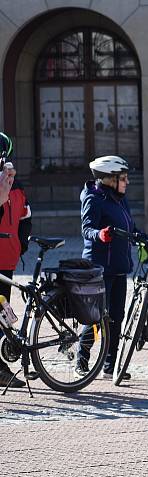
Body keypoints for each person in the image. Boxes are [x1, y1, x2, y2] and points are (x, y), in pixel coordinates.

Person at [78, 155, 138, 378]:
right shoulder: (94, 199)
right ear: (110, 179)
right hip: (100, 266)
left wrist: (147, 241)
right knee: (96, 316)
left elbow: (131, 227)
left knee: (116, 316)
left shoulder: (120, 199)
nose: (127, 182)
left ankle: (110, 366)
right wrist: (100, 234)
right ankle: (82, 360)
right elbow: (87, 229)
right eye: (123, 178)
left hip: (120, 266)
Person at [0, 132, 32, 388]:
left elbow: (25, 218)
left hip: (8, 258)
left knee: (2, 311)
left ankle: (1, 365)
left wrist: (21, 245)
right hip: (8, 255)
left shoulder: (15, 185)